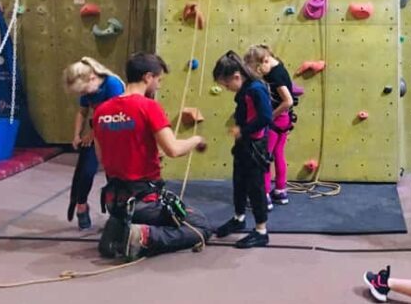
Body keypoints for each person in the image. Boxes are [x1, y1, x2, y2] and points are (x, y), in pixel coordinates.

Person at [93, 53, 211, 261]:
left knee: (143, 209)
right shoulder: (148, 106)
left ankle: (120, 226)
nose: (158, 86)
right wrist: (196, 140)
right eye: (159, 80)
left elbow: (102, 156)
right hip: (144, 202)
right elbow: (174, 149)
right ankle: (146, 236)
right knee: (200, 225)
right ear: (148, 77)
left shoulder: (101, 111)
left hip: (115, 200)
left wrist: (149, 155)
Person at [212, 50, 273, 248]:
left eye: (227, 84)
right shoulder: (244, 90)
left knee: (256, 188)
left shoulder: (256, 89)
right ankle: (239, 219)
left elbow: (265, 117)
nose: (227, 88)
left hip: (255, 146)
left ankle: (261, 231)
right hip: (244, 145)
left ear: (237, 76)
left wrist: (243, 131)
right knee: (239, 183)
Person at [63, 57, 125, 230]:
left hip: (115, 130)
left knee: (113, 176)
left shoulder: (112, 85)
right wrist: (77, 135)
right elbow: (82, 112)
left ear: (92, 78)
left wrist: (93, 133)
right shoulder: (88, 91)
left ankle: (116, 214)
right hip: (96, 129)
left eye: (83, 90)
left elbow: (116, 114)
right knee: (86, 172)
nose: (84, 94)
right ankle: (81, 205)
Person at [244, 44, 295, 210]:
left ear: (265, 61)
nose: (259, 74)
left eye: (258, 70)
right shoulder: (279, 66)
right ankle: (280, 190)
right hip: (284, 120)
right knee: (278, 154)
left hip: (276, 120)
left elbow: (288, 100)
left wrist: (269, 117)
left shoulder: (275, 75)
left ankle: (263, 195)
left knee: (263, 158)